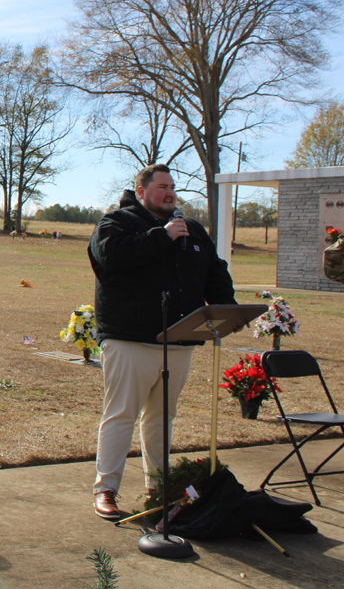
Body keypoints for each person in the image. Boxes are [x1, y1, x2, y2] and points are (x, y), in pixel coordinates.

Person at [88, 164, 235, 520]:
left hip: (180, 341)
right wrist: (162, 236)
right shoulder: (117, 223)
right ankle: (106, 489)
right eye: (161, 187)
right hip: (130, 341)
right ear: (141, 192)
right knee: (121, 415)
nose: (170, 193)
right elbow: (111, 259)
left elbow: (214, 272)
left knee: (162, 419)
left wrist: (226, 308)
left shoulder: (193, 230)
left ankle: (158, 487)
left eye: (172, 187)